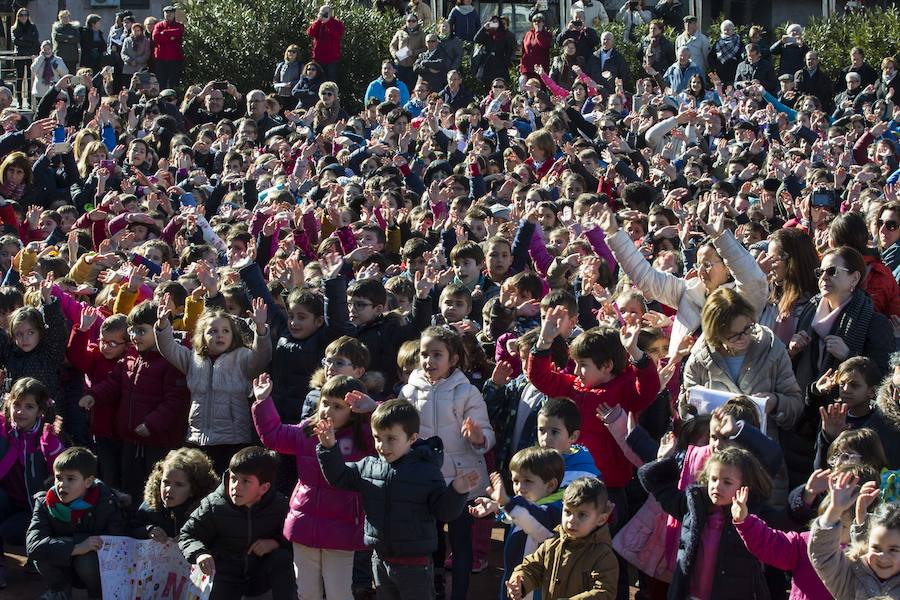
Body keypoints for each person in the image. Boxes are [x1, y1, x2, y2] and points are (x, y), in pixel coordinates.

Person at [316, 398, 479, 600]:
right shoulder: (369, 465)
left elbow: (443, 511)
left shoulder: (427, 471)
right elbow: (339, 477)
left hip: (416, 565)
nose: (382, 446)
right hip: (380, 559)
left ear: (412, 438)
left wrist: (457, 491)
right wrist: (329, 448)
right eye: (377, 438)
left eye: (391, 439)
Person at [252, 373, 375, 599]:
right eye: (325, 403)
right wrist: (263, 402)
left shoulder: (364, 437)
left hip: (343, 526)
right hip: (305, 522)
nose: (328, 410)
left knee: (339, 593)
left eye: (338, 406)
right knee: (307, 592)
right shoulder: (307, 431)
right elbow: (273, 436)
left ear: (353, 412)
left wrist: (373, 408)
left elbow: (392, 426)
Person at [398, 326, 495, 600]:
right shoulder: (409, 390)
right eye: (424, 354)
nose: (429, 361)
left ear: (453, 359)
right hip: (425, 478)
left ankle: (459, 594)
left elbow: (487, 434)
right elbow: (399, 426)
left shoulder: (467, 392)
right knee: (431, 540)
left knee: (461, 541)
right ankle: (435, 588)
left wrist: (478, 437)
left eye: (436, 355)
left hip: (460, 480)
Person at [77, 301, 191, 501]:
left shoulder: (170, 362)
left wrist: (151, 424)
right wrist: (93, 395)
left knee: (156, 488)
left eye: (141, 331)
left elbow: (175, 402)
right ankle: (132, 524)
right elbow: (113, 383)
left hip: (158, 441)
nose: (135, 336)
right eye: (132, 331)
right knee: (131, 485)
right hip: (131, 437)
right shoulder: (131, 357)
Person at [639, 446, 775, 599]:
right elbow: (665, 493)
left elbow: (787, 522)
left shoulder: (755, 515)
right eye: (714, 479)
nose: (717, 486)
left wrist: (805, 499)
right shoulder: (695, 506)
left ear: (745, 488)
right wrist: (662, 460)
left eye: (727, 482)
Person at [155, 297, 272, 473]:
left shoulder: (242, 356)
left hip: (233, 439)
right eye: (213, 331)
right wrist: (163, 324)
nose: (220, 335)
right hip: (197, 437)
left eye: (226, 331)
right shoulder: (193, 359)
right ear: (202, 335)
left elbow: (262, 356)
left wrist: (261, 329)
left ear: (233, 335)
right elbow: (168, 347)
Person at [178, 447, 297, 600]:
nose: (236, 486)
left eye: (245, 481)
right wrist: (200, 553)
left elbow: (296, 539)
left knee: (282, 558)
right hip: (224, 578)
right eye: (233, 479)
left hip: (260, 578)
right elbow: (188, 534)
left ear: (264, 488)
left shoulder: (280, 505)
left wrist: (275, 543)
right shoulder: (214, 505)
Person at [25, 447, 125, 599]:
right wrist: (77, 546)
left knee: (87, 560)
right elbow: (33, 545)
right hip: (63, 565)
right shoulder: (45, 502)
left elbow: (117, 543)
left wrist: (82, 548)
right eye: (58, 478)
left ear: (88, 481)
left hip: (93, 567)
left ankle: (99, 595)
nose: (62, 484)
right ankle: (60, 591)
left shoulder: (106, 501)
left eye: (70, 479)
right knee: (42, 555)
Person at [506, 477, 618, 600]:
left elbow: (604, 592)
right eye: (568, 512)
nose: (571, 520)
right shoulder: (553, 542)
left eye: (582, 515)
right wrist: (520, 582)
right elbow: (532, 568)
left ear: (601, 519)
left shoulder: (603, 555)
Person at [0, 378, 64, 588]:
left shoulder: (48, 438)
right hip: (11, 503)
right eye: (17, 405)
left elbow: (65, 479)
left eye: (29, 406)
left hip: (37, 511)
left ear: (40, 411)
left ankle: (37, 556)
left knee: (12, 532)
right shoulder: (4, 431)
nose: (20, 412)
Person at [808, 472, 900, 597]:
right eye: (876, 548)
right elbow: (823, 555)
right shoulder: (851, 577)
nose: (883, 557)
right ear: (867, 545)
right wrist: (835, 510)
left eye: (893, 550)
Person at [130, 447, 219, 541]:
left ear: (193, 489)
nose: (169, 489)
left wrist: (193, 539)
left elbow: (219, 538)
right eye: (166, 483)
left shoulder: (206, 512)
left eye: (179, 485)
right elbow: (130, 529)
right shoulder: (150, 507)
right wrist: (148, 530)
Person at [473, 16, 517, 86]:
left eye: (496, 22)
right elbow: (476, 39)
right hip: (488, 65)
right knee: (487, 86)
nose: (494, 24)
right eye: (493, 22)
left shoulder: (505, 34)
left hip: (500, 66)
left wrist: (506, 62)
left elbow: (510, 50)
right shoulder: (488, 34)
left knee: (500, 86)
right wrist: (484, 28)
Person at [306, 5, 344, 83]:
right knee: (316, 81)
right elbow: (310, 33)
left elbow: (337, 34)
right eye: (321, 12)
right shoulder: (318, 23)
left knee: (331, 81)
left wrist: (328, 22)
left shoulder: (337, 23)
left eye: (325, 13)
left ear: (331, 14)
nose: (323, 14)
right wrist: (318, 21)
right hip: (318, 58)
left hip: (331, 60)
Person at [11, 8, 40, 109]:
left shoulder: (33, 27)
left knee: (29, 78)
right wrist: (28, 39)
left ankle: (28, 101)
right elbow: (16, 41)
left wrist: (23, 38)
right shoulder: (14, 28)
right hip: (19, 56)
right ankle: (19, 101)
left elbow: (35, 40)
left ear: (28, 16)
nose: (23, 17)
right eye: (21, 15)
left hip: (30, 56)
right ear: (18, 17)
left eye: (25, 15)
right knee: (19, 78)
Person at [390, 13, 426, 93]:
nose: (411, 23)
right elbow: (392, 45)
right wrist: (395, 55)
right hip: (400, 65)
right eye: (409, 21)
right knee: (399, 88)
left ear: (417, 22)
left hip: (412, 66)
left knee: (411, 88)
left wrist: (414, 52)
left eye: (413, 21)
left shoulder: (422, 34)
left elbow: (425, 48)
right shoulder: (400, 32)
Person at [152, 5, 186, 91]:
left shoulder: (179, 25)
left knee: (174, 83)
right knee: (161, 83)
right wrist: (171, 38)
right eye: (166, 13)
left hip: (175, 59)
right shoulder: (158, 25)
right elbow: (155, 37)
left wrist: (164, 33)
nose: (168, 15)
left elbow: (179, 32)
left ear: (174, 14)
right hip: (161, 59)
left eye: (171, 13)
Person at [519, 14, 553, 86]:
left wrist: (538, 33)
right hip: (527, 68)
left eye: (539, 21)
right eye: (534, 21)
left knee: (538, 91)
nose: (536, 23)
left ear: (543, 23)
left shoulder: (547, 35)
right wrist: (522, 68)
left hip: (539, 69)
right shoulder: (528, 34)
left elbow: (545, 45)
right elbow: (524, 52)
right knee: (525, 89)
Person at [413, 34, 449, 98]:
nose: (430, 43)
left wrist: (424, 62)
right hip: (421, 88)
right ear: (425, 43)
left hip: (435, 87)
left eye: (433, 41)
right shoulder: (422, 55)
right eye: (428, 41)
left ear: (437, 42)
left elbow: (440, 64)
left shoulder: (442, 54)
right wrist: (429, 69)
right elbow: (415, 68)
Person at [710, 19, 743, 85]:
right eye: (724, 29)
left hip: (734, 73)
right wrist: (715, 68)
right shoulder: (718, 42)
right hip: (720, 73)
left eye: (729, 29)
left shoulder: (738, 42)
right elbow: (711, 57)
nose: (726, 31)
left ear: (733, 30)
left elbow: (741, 57)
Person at [272, 45, 302, 109]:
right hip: (281, 96)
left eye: (294, 52)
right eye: (289, 51)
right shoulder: (281, 65)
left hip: (293, 96)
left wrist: (292, 84)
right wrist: (279, 87)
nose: (291, 53)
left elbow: (302, 80)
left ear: (297, 54)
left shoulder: (300, 66)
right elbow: (275, 80)